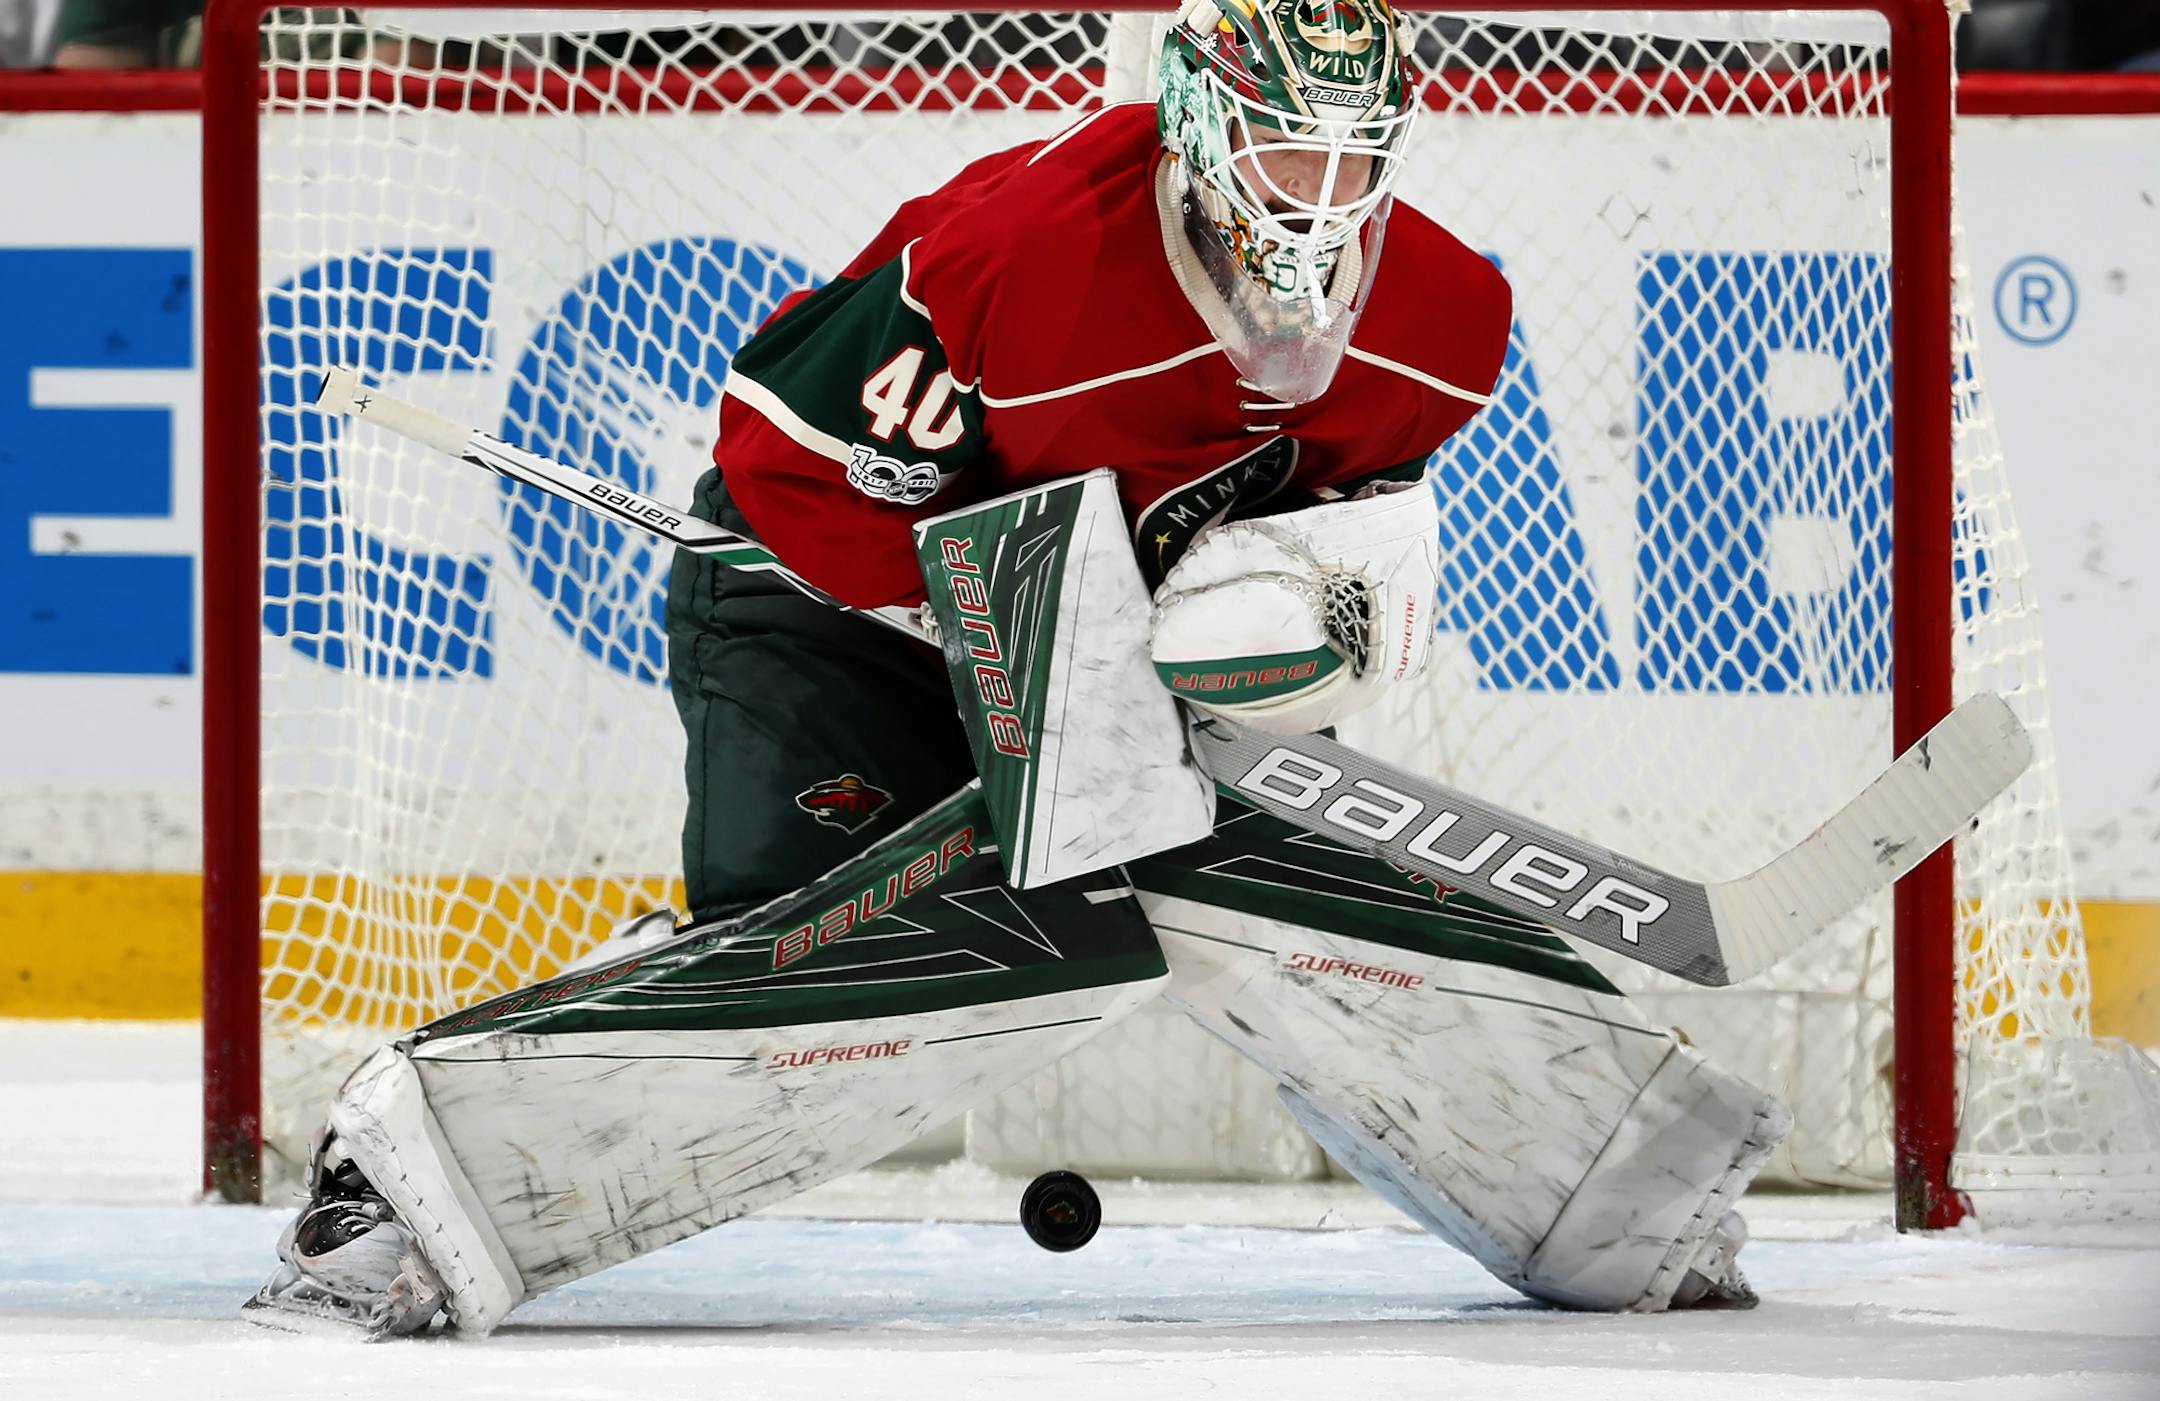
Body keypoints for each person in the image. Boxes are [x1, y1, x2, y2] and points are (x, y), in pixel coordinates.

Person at [251, 0, 1788, 1337]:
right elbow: (782, 457)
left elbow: (1326, 531)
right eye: (1283, 150)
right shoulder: (1020, 255)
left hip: (1108, 648)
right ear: (1202, 119)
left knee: (1247, 895)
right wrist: (993, 627)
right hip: (834, 611)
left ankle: (1619, 1189)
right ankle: (411, 1169)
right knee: (850, 968)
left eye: (1351, 157)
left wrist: (1289, 624)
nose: (1319, 199)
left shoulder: (1444, 317)